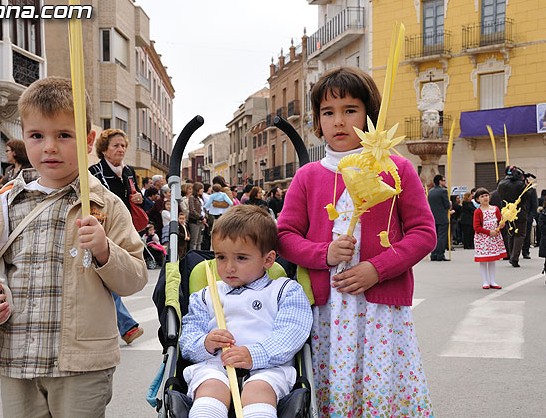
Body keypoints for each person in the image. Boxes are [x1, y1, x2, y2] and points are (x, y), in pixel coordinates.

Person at [0, 76, 148, 417]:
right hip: (17, 359)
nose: (50, 147)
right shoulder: (4, 203)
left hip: (81, 366)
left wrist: (105, 251)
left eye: (64, 135)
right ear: (23, 137)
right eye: (37, 136)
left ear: (88, 140)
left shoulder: (104, 204)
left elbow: (135, 278)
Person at [277, 66, 436, 416]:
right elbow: (285, 236)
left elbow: (424, 233)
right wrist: (324, 253)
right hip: (326, 310)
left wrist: (377, 269)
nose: (338, 121)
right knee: (332, 393)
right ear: (318, 121)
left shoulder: (397, 168)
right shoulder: (308, 177)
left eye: (350, 110)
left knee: (381, 390)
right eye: (328, 112)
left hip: (380, 309)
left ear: (369, 115)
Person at [180, 205, 312, 418]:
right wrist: (205, 343)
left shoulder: (284, 291)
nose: (229, 267)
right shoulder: (206, 296)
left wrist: (255, 355)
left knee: (258, 391)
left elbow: (292, 333)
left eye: (241, 258)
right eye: (221, 257)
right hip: (216, 365)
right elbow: (188, 337)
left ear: (268, 260)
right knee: (210, 388)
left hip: (268, 368)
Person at [89, 128, 146, 344]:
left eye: (123, 145)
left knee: (114, 275)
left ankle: (122, 325)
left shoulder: (129, 172)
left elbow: (140, 201)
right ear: (104, 150)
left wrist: (141, 199)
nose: (121, 149)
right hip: (104, 228)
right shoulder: (94, 172)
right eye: (116, 145)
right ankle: (127, 325)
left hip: (127, 229)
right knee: (106, 273)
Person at [472, 188, 506, 289]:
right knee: (483, 260)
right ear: (478, 199)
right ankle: (485, 281)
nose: (485, 198)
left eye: (486, 195)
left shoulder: (495, 209)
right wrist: (488, 232)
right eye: (482, 196)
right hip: (483, 239)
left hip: (494, 237)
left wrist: (501, 226)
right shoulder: (478, 212)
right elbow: (476, 227)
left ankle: (493, 281)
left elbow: (500, 221)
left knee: (492, 260)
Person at [428, 174, 453, 261]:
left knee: (435, 236)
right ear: (440, 181)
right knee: (442, 237)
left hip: (433, 217)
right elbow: (446, 205)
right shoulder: (443, 191)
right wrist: (449, 204)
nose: (445, 182)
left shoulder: (430, 191)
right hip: (442, 217)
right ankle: (440, 254)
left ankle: (433, 254)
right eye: (444, 180)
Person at [522, 185, 539, 259]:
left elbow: (534, 204)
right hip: (516, 215)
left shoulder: (531, 190)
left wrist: (531, 216)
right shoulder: (515, 188)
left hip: (527, 216)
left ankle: (525, 251)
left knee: (527, 234)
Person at [188, 182, 205, 250]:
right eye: (201, 188)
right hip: (195, 221)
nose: (202, 190)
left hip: (201, 221)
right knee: (194, 240)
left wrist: (205, 216)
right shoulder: (192, 198)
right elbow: (192, 210)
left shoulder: (201, 198)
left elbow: (203, 208)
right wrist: (200, 217)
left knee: (199, 241)